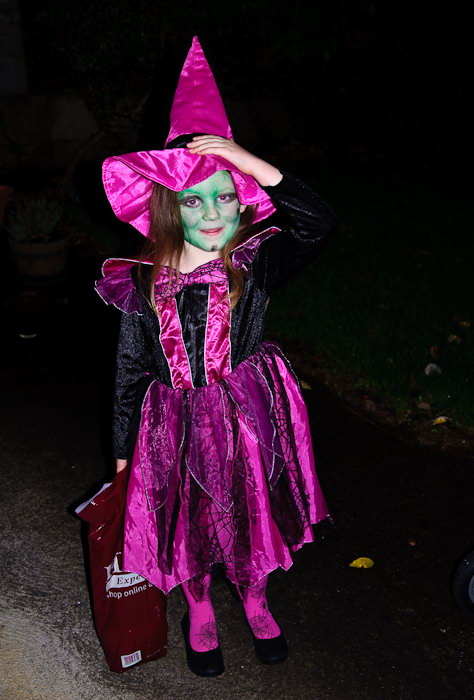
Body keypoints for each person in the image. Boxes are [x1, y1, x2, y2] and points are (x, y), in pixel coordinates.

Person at [95, 37, 335, 677]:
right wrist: (121, 453)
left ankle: (256, 598)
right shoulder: (142, 279)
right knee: (192, 520)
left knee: (252, 511)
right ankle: (199, 607)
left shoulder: (256, 264)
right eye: (193, 199)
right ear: (167, 205)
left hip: (248, 415)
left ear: (243, 200)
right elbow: (128, 370)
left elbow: (317, 222)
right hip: (173, 423)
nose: (211, 213)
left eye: (225, 195)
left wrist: (249, 161)